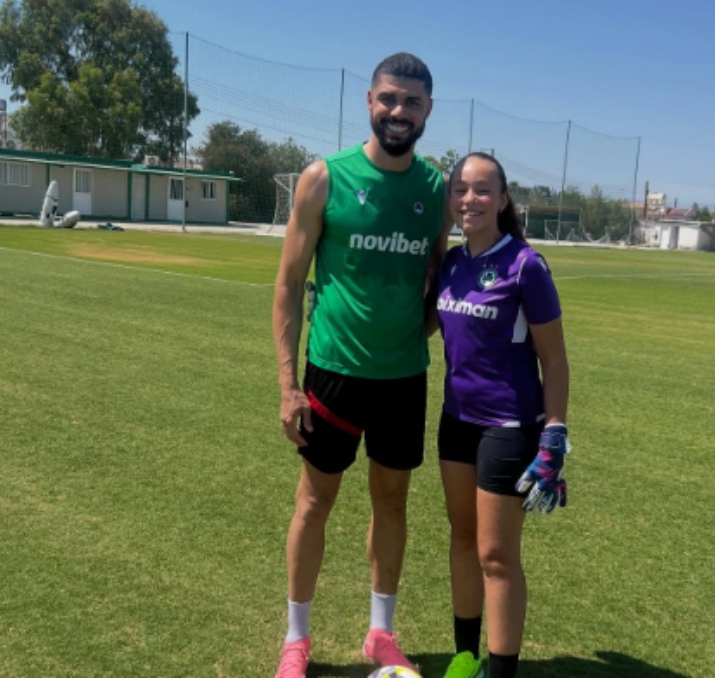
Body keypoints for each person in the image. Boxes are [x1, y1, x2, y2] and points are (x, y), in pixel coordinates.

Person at [271, 52, 450, 678]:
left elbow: (438, 278)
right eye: (389, 99)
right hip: (333, 375)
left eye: (412, 102)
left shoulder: (436, 189)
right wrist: (288, 384)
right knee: (313, 503)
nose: (399, 111)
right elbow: (288, 284)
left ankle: (380, 633)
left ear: (428, 111)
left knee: (392, 503)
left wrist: (411, 335)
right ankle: (296, 641)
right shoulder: (324, 178)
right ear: (369, 101)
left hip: (403, 378)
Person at [433, 153, 570, 678]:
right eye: (460, 189)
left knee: (496, 554)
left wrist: (554, 432)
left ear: (503, 199)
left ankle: (501, 673)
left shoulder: (525, 266)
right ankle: (466, 656)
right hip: (455, 421)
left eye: (483, 189)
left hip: (508, 427)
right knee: (462, 539)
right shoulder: (451, 262)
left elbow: (554, 358)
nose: (470, 199)